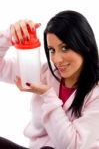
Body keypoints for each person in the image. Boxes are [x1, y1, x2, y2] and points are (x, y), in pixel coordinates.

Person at [0, 10, 99, 149]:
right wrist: (9, 35)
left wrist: (48, 95)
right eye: (52, 50)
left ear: (86, 47)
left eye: (65, 48)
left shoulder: (96, 93)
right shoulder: (44, 73)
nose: (56, 60)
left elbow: (72, 145)